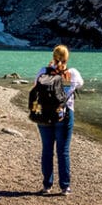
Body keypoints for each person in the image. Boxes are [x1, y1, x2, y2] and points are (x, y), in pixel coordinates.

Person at [34, 44, 83, 196]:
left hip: (45, 115)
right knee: (63, 151)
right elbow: (80, 85)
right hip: (65, 114)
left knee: (47, 150)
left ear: (53, 56)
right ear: (67, 58)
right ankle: (65, 187)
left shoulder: (43, 71)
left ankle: (47, 186)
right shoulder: (73, 73)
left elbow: (35, 86)